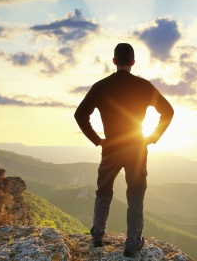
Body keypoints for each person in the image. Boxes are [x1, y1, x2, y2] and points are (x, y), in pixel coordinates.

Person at [74, 43, 174, 257]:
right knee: (136, 195)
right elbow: (168, 111)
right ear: (133, 62)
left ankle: (98, 235)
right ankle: (132, 242)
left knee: (103, 192)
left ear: (114, 61)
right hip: (136, 149)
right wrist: (153, 137)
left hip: (110, 148)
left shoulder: (101, 86)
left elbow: (80, 115)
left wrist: (98, 140)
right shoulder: (144, 86)